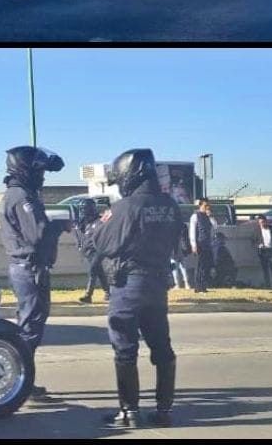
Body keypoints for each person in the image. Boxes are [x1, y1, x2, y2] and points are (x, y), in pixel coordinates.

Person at [91, 148, 181, 428]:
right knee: (162, 346)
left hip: (128, 284)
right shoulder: (169, 204)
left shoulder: (126, 207)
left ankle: (129, 412)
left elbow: (102, 243)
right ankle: (164, 410)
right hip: (157, 282)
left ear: (131, 174)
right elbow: (178, 242)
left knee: (125, 349)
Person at [0, 145, 69, 400]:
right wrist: (60, 225)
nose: (43, 177)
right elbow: (37, 236)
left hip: (26, 268)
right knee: (30, 329)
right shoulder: (21, 197)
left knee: (29, 326)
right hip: (29, 268)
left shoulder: (18, 193)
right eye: (39, 171)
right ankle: (19, 384)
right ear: (27, 170)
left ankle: (22, 382)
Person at [73, 199, 111, 304]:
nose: (82, 211)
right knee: (99, 272)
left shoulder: (99, 220)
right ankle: (108, 292)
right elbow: (79, 236)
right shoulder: (82, 223)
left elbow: (111, 215)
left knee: (93, 270)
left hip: (98, 251)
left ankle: (88, 295)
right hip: (88, 252)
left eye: (84, 209)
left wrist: (108, 205)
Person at [189, 198, 216, 294]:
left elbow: (215, 226)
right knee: (199, 266)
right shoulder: (195, 216)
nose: (207, 207)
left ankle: (203, 286)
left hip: (207, 244)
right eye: (205, 206)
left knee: (206, 266)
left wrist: (211, 216)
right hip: (199, 243)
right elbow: (192, 231)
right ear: (200, 206)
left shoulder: (208, 216)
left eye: (208, 206)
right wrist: (193, 244)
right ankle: (198, 287)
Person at [251, 216, 272, 289]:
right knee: (265, 270)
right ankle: (267, 286)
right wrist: (258, 245)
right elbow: (252, 240)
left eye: (263, 222)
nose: (262, 224)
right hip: (263, 252)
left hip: (271, 250)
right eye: (260, 223)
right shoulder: (256, 230)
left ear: (266, 221)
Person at [170, 224, 193, 290]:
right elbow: (185, 237)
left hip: (174, 249)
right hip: (182, 248)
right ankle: (187, 284)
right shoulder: (183, 225)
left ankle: (177, 284)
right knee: (183, 267)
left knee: (175, 268)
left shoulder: (170, 225)